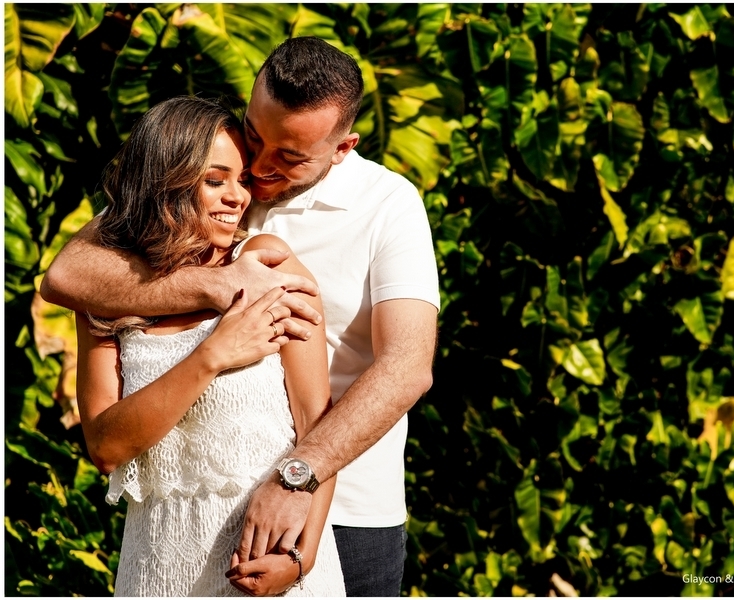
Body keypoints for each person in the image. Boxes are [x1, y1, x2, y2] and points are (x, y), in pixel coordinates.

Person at [42, 37, 440, 596]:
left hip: (348, 503)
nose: (259, 165)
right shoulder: (217, 170)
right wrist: (218, 285)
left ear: (343, 147)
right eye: (257, 133)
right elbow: (68, 276)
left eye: (290, 155)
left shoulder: (388, 205)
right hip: (189, 505)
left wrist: (298, 477)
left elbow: (406, 368)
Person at [73, 96, 345, 596]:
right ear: (165, 182)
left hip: (269, 564)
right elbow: (106, 447)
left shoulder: (270, 268)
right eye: (214, 180)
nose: (237, 197)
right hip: (158, 566)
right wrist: (212, 355)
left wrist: (300, 560)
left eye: (242, 181)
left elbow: (319, 426)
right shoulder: (108, 294)